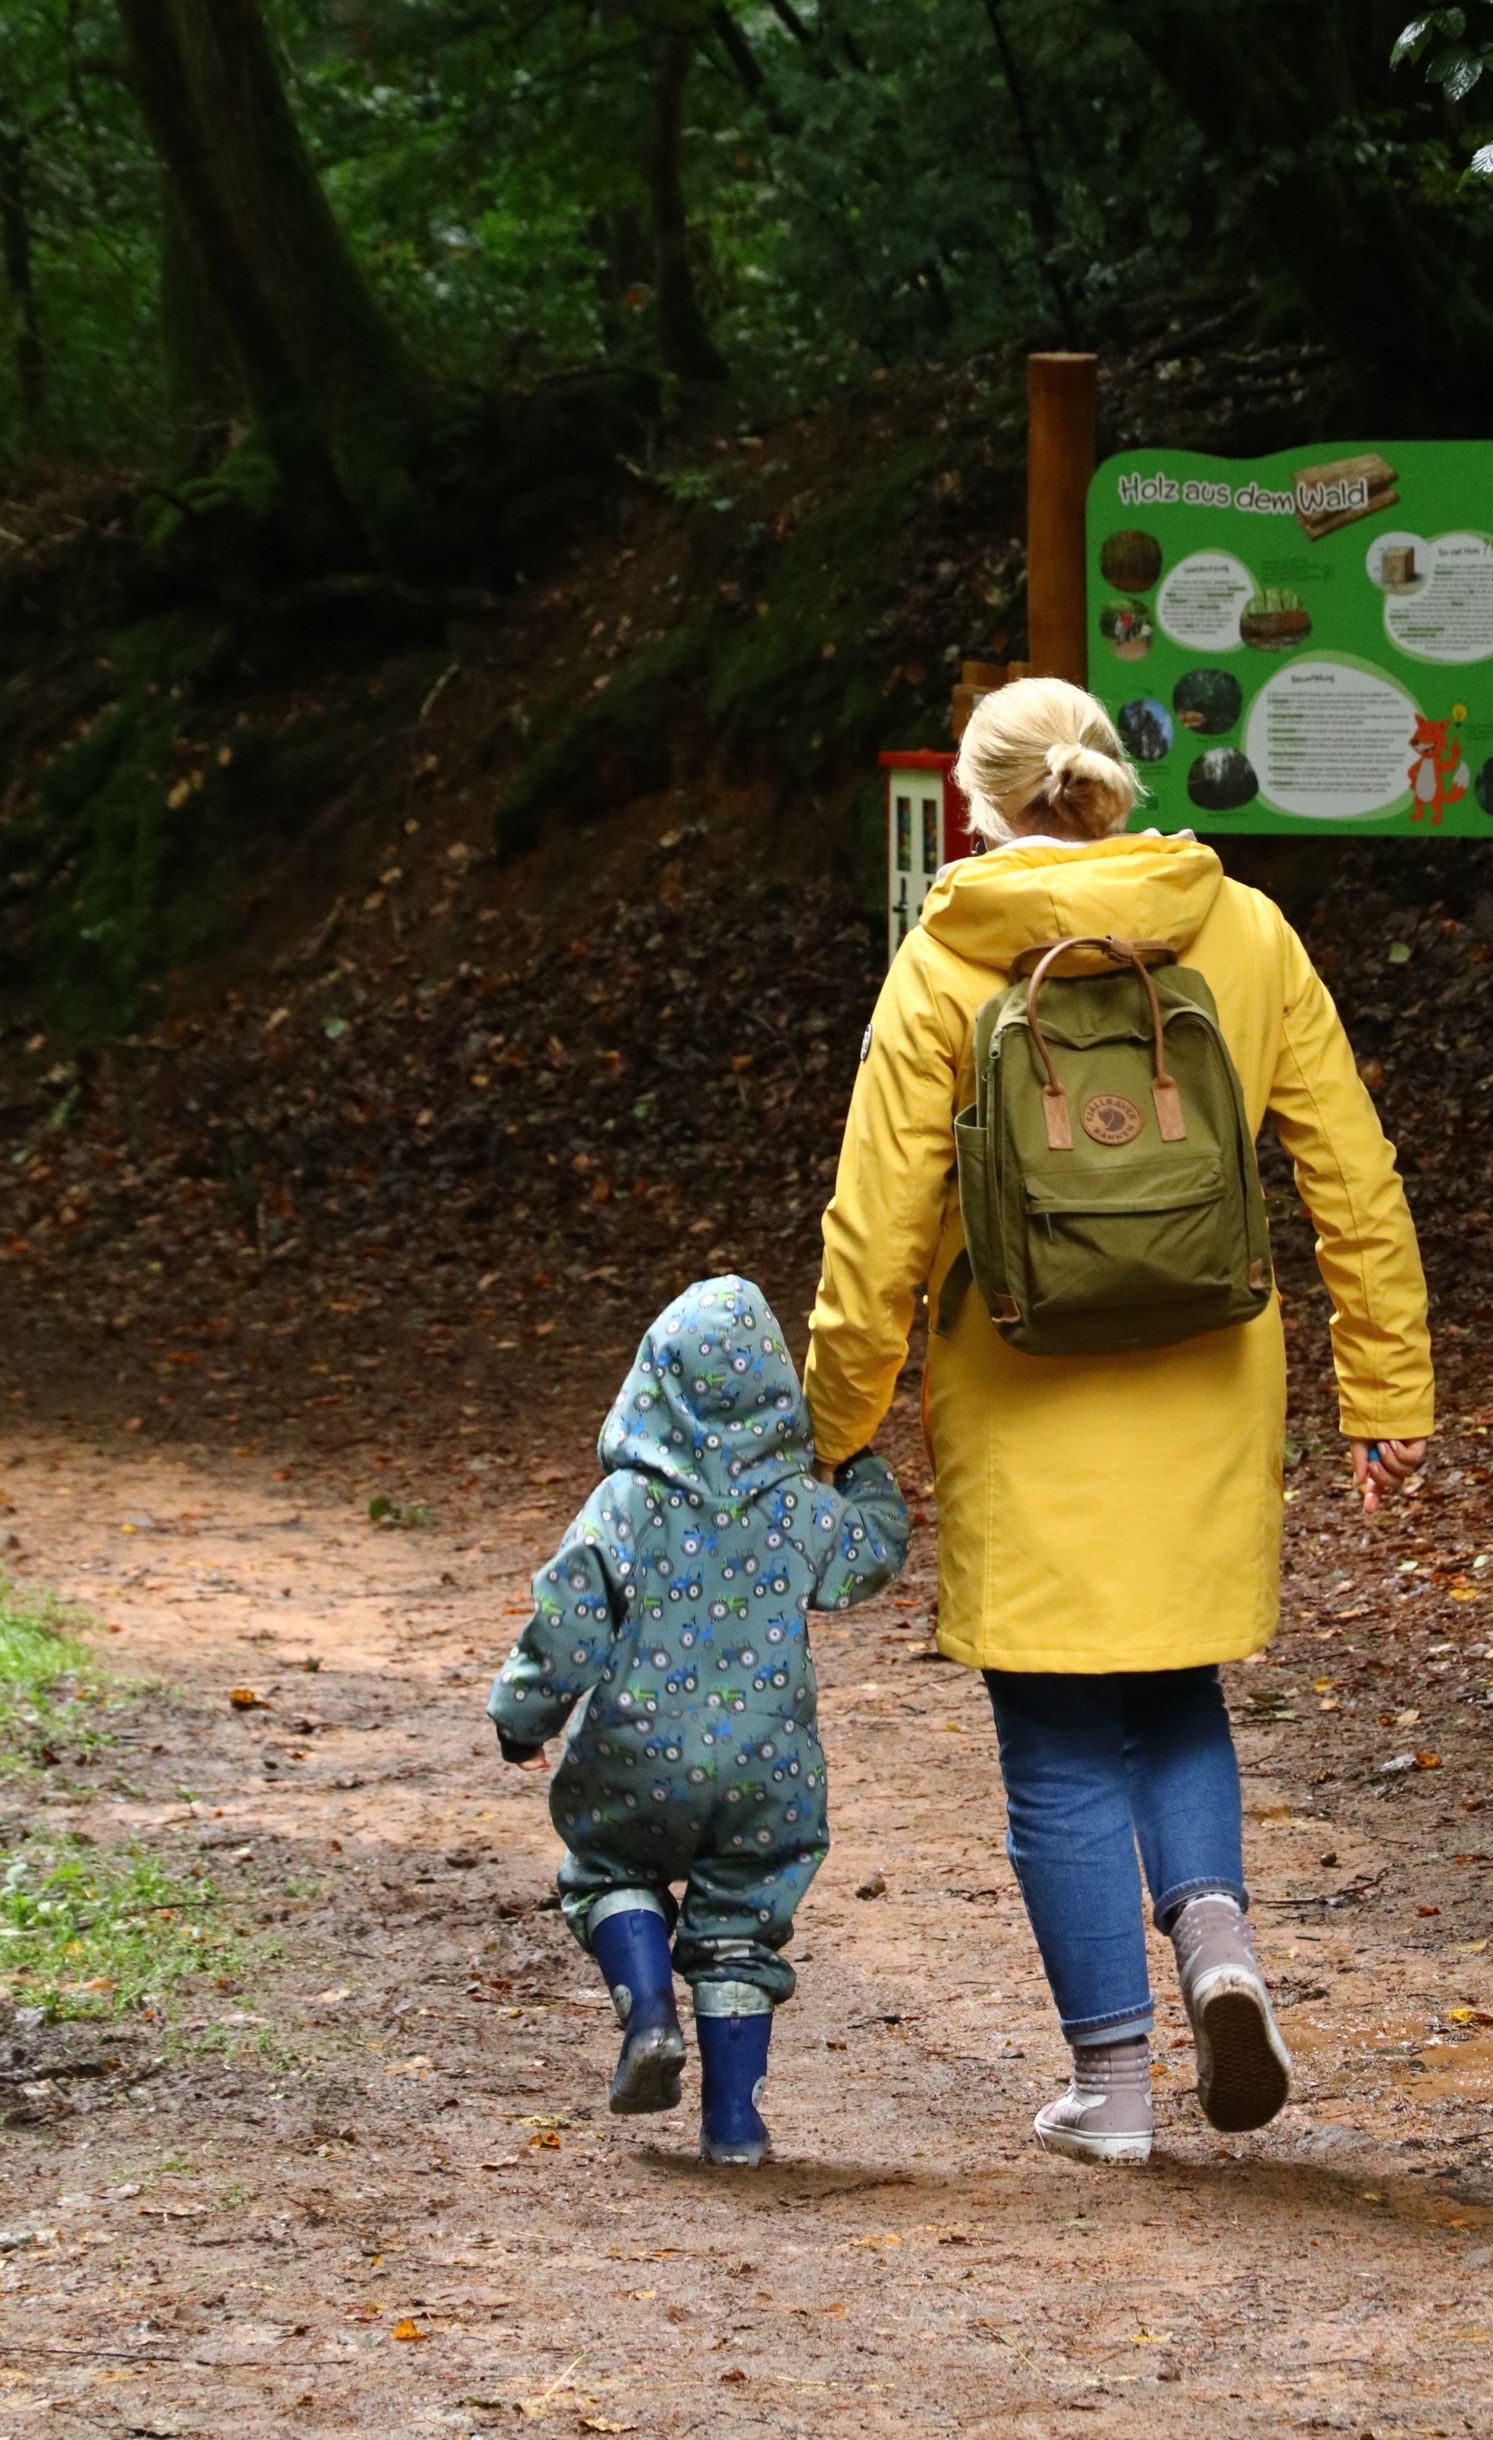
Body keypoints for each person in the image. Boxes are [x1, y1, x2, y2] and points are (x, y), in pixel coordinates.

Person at [804, 678, 1431, 2163]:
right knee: (1173, 1687)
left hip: (1025, 1391)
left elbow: (874, 1228)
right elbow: (1352, 1168)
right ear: (1116, 779)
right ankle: (1216, 1942)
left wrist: (837, 1420)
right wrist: (1387, 1391)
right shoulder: (1244, 928)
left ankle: (1114, 2090)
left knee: (1056, 1726)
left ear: (978, 800)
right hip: (1210, 1378)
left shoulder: (948, 959)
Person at [487, 1273, 907, 2165]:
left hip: (637, 1755)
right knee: (738, 1926)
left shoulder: (626, 1508)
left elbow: (566, 1620)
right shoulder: (797, 1509)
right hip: (768, 1772)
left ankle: (646, 2017)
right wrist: (865, 1471)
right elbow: (871, 1554)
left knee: (606, 1870)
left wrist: (523, 1715)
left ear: (652, 1385)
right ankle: (735, 2126)